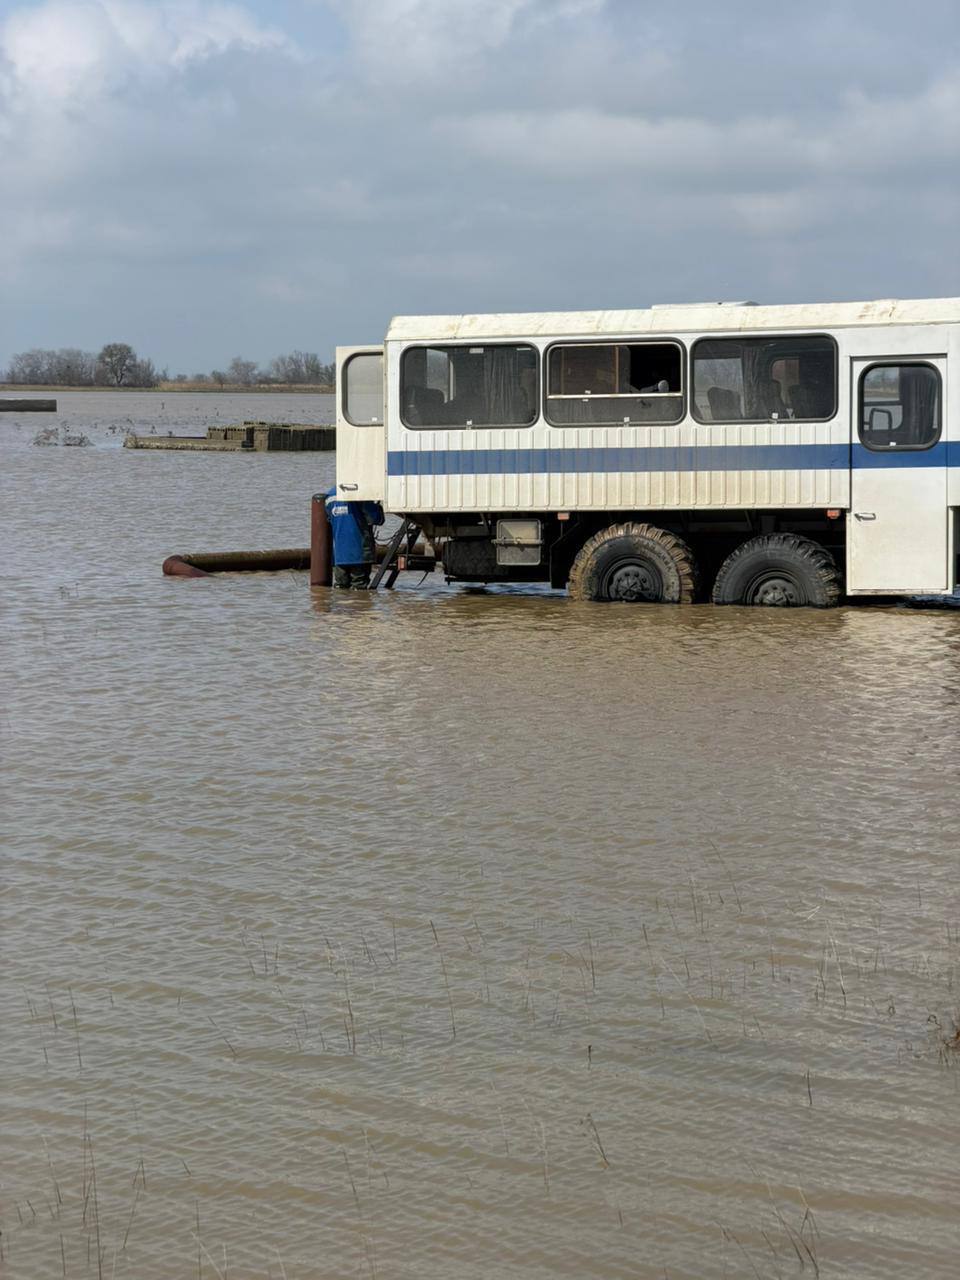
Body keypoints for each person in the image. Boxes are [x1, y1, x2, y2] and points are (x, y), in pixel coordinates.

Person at [324, 487, 385, 588]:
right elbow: (376, 518)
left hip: (339, 555)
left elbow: (329, 518)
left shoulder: (330, 496)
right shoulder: (360, 493)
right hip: (359, 554)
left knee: (341, 589)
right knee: (359, 589)